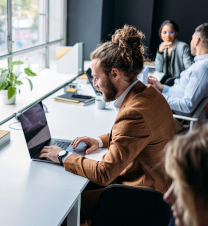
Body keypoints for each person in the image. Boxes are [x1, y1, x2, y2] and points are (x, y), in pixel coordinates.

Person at [39, 25, 175, 224]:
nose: (94, 84)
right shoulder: (149, 93)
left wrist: (62, 155)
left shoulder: (134, 113)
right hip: (161, 186)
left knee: (62, 205)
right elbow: (134, 136)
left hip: (143, 198)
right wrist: (98, 141)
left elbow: (104, 174)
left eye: (96, 77)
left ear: (114, 74)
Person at [149, 23, 208, 117]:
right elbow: (182, 91)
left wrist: (156, 97)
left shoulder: (203, 68)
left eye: (192, 38)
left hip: (173, 113)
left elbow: (187, 106)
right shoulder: (204, 63)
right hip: (172, 103)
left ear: (197, 40)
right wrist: (161, 87)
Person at [155, 20, 193, 85]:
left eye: (171, 32)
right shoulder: (161, 46)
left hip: (179, 82)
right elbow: (158, 69)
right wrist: (160, 52)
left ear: (176, 33)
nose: (167, 35)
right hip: (165, 81)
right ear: (160, 35)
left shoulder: (183, 47)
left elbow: (189, 68)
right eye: (164, 32)